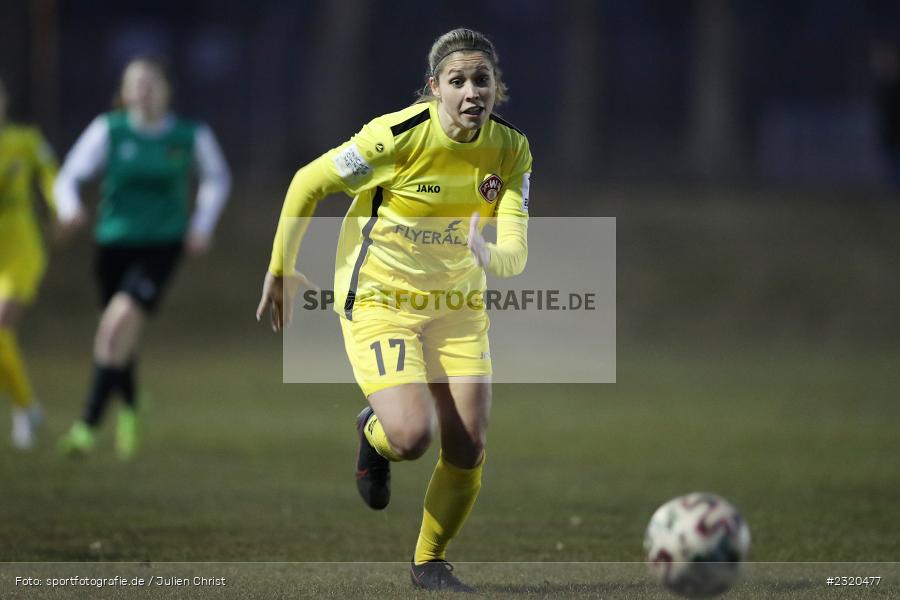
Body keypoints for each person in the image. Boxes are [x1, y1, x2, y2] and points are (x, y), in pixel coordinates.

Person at [257, 29, 532, 591]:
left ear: (496, 87)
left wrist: (492, 254)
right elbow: (308, 183)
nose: (471, 91)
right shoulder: (396, 138)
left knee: (469, 441)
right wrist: (281, 267)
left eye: (482, 80)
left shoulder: (511, 150)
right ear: (435, 89)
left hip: (457, 305)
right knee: (410, 437)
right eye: (457, 81)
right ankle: (373, 433)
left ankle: (429, 563)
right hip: (381, 297)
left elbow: (516, 251)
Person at [54, 57, 231, 459]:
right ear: (124, 91)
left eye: (151, 83)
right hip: (113, 245)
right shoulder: (108, 130)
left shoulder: (189, 135)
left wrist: (202, 223)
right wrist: (68, 209)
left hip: (161, 247)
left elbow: (217, 177)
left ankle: (86, 425)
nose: (143, 91)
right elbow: (69, 175)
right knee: (120, 337)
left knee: (115, 327)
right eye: (135, 84)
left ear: (167, 89)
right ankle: (133, 404)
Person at [0, 77, 62, 449]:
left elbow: (54, 177)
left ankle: (25, 410)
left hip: (22, 249)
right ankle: (27, 406)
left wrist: (62, 209)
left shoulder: (27, 140)